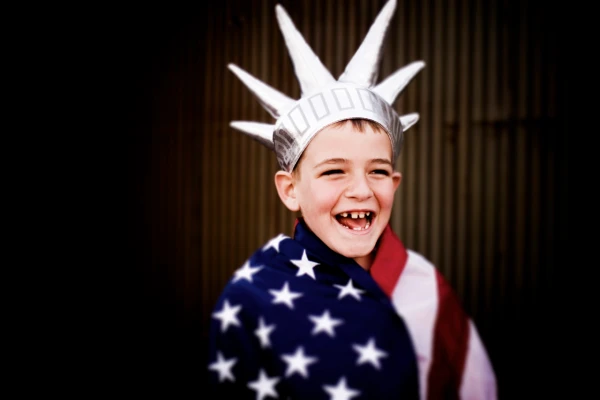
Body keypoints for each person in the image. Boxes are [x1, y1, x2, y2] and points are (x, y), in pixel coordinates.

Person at [206, 0, 497, 398]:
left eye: (377, 171)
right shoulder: (251, 298)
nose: (361, 189)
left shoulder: (426, 290)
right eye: (333, 171)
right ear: (289, 189)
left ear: (394, 182)